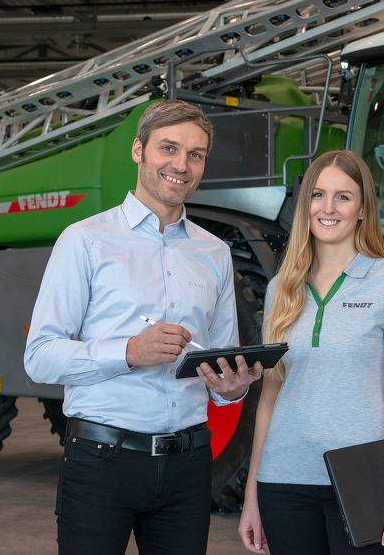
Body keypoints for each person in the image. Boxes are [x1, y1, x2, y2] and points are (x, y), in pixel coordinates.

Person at [24, 99, 264, 555]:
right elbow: (39, 356)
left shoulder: (214, 253)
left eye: (196, 154)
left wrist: (231, 388)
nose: (181, 164)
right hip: (101, 463)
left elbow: (217, 362)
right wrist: (128, 351)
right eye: (168, 148)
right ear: (138, 150)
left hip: (189, 466)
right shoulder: (86, 240)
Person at [238, 150, 384, 554]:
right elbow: (270, 398)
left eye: (343, 196)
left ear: (362, 209)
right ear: (305, 206)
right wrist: (252, 494)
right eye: (318, 195)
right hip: (283, 482)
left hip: (364, 480)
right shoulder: (281, 288)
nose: (328, 207)